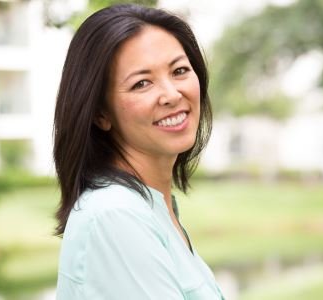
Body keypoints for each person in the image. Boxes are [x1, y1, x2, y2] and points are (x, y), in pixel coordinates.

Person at [54, 3, 225, 300]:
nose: (172, 94)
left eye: (180, 70)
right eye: (141, 83)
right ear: (100, 113)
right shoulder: (114, 216)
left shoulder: (151, 208)